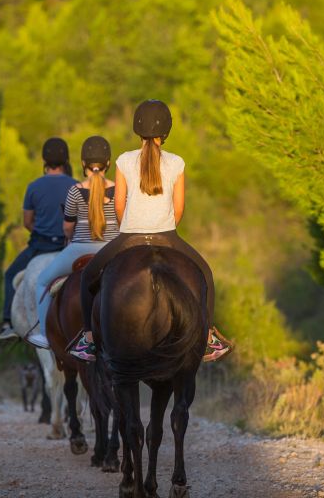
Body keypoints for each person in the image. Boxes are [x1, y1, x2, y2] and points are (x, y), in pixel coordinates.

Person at [68, 99, 232, 362]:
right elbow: (179, 208)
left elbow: (119, 206)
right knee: (206, 276)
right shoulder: (177, 162)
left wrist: (132, 228)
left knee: (88, 276)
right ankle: (207, 338)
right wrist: (163, 227)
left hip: (128, 238)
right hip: (167, 236)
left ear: (137, 129)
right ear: (166, 132)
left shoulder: (124, 160)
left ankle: (88, 340)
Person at [24, 136, 120, 349]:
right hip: (111, 250)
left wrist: (70, 237)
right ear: (109, 164)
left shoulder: (75, 191)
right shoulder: (120, 190)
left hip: (79, 249)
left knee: (42, 281)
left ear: (83, 164)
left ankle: (45, 335)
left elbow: (68, 228)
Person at [0, 137, 77, 340]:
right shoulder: (77, 186)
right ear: (66, 160)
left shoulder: (33, 187)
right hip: (68, 247)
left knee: (9, 276)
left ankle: (8, 323)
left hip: (40, 246)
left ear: (44, 161)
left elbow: (27, 222)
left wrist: (43, 230)